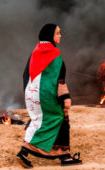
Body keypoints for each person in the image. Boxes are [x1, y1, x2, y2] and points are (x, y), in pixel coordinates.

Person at [17, 23, 82, 168]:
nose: (60, 35)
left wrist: (30, 95)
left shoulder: (35, 52)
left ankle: (25, 152)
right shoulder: (55, 55)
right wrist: (65, 99)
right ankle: (64, 156)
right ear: (50, 36)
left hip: (32, 95)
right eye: (57, 33)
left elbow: (26, 75)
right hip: (47, 96)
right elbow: (60, 81)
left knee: (39, 120)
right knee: (60, 118)